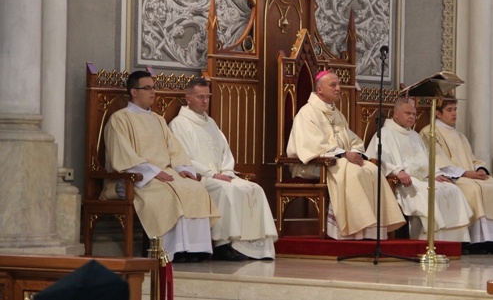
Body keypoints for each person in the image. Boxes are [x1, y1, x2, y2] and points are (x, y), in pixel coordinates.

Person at [103, 71, 219, 262]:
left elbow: (175, 149)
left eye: (153, 87)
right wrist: (153, 172)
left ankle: (196, 249)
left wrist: (183, 169)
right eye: (147, 88)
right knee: (167, 194)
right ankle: (171, 251)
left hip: (164, 174)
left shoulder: (157, 119)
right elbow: (122, 155)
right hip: (135, 178)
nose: (153, 92)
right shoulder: (120, 119)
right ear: (133, 91)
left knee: (194, 189)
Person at [286, 70, 405, 240]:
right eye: (333, 85)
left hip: (336, 162)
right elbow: (312, 146)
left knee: (372, 169)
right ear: (319, 90)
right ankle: (353, 230)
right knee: (352, 171)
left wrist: (354, 153)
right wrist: (343, 154)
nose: (338, 88)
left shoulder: (337, 114)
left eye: (338, 84)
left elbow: (353, 141)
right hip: (311, 166)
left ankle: (372, 229)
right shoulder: (307, 113)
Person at [170, 78, 277, 260]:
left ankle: (255, 247)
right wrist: (212, 174)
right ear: (188, 98)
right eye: (200, 97)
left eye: (207, 97)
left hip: (221, 174)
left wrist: (227, 171)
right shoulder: (179, 124)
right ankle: (223, 245)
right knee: (224, 189)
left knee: (254, 188)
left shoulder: (210, 122)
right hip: (200, 177)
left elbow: (225, 151)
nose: (205, 101)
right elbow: (183, 157)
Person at [419, 96, 493, 254]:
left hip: (470, 175)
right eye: (449, 110)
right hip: (453, 177)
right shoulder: (429, 132)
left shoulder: (460, 135)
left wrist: (480, 169)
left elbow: (472, 158)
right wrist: (466, 173)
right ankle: (476, 241)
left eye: (455, 109)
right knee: (475, 189)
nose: (454, 114)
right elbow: (438, 161)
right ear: (438, 113)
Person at [366, 98, 473, 242]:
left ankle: (454, 241)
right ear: (396, 114)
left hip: (425, 178)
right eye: (408, 113)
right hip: (405, 182)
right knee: (426, 193)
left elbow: (428, 158)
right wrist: (398, 171)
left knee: (453, 190)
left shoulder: (414, 135)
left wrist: (436, 174)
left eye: (414, 114)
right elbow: (377, 160)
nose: (412, 117)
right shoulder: (384, 133)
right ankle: (426, 240)